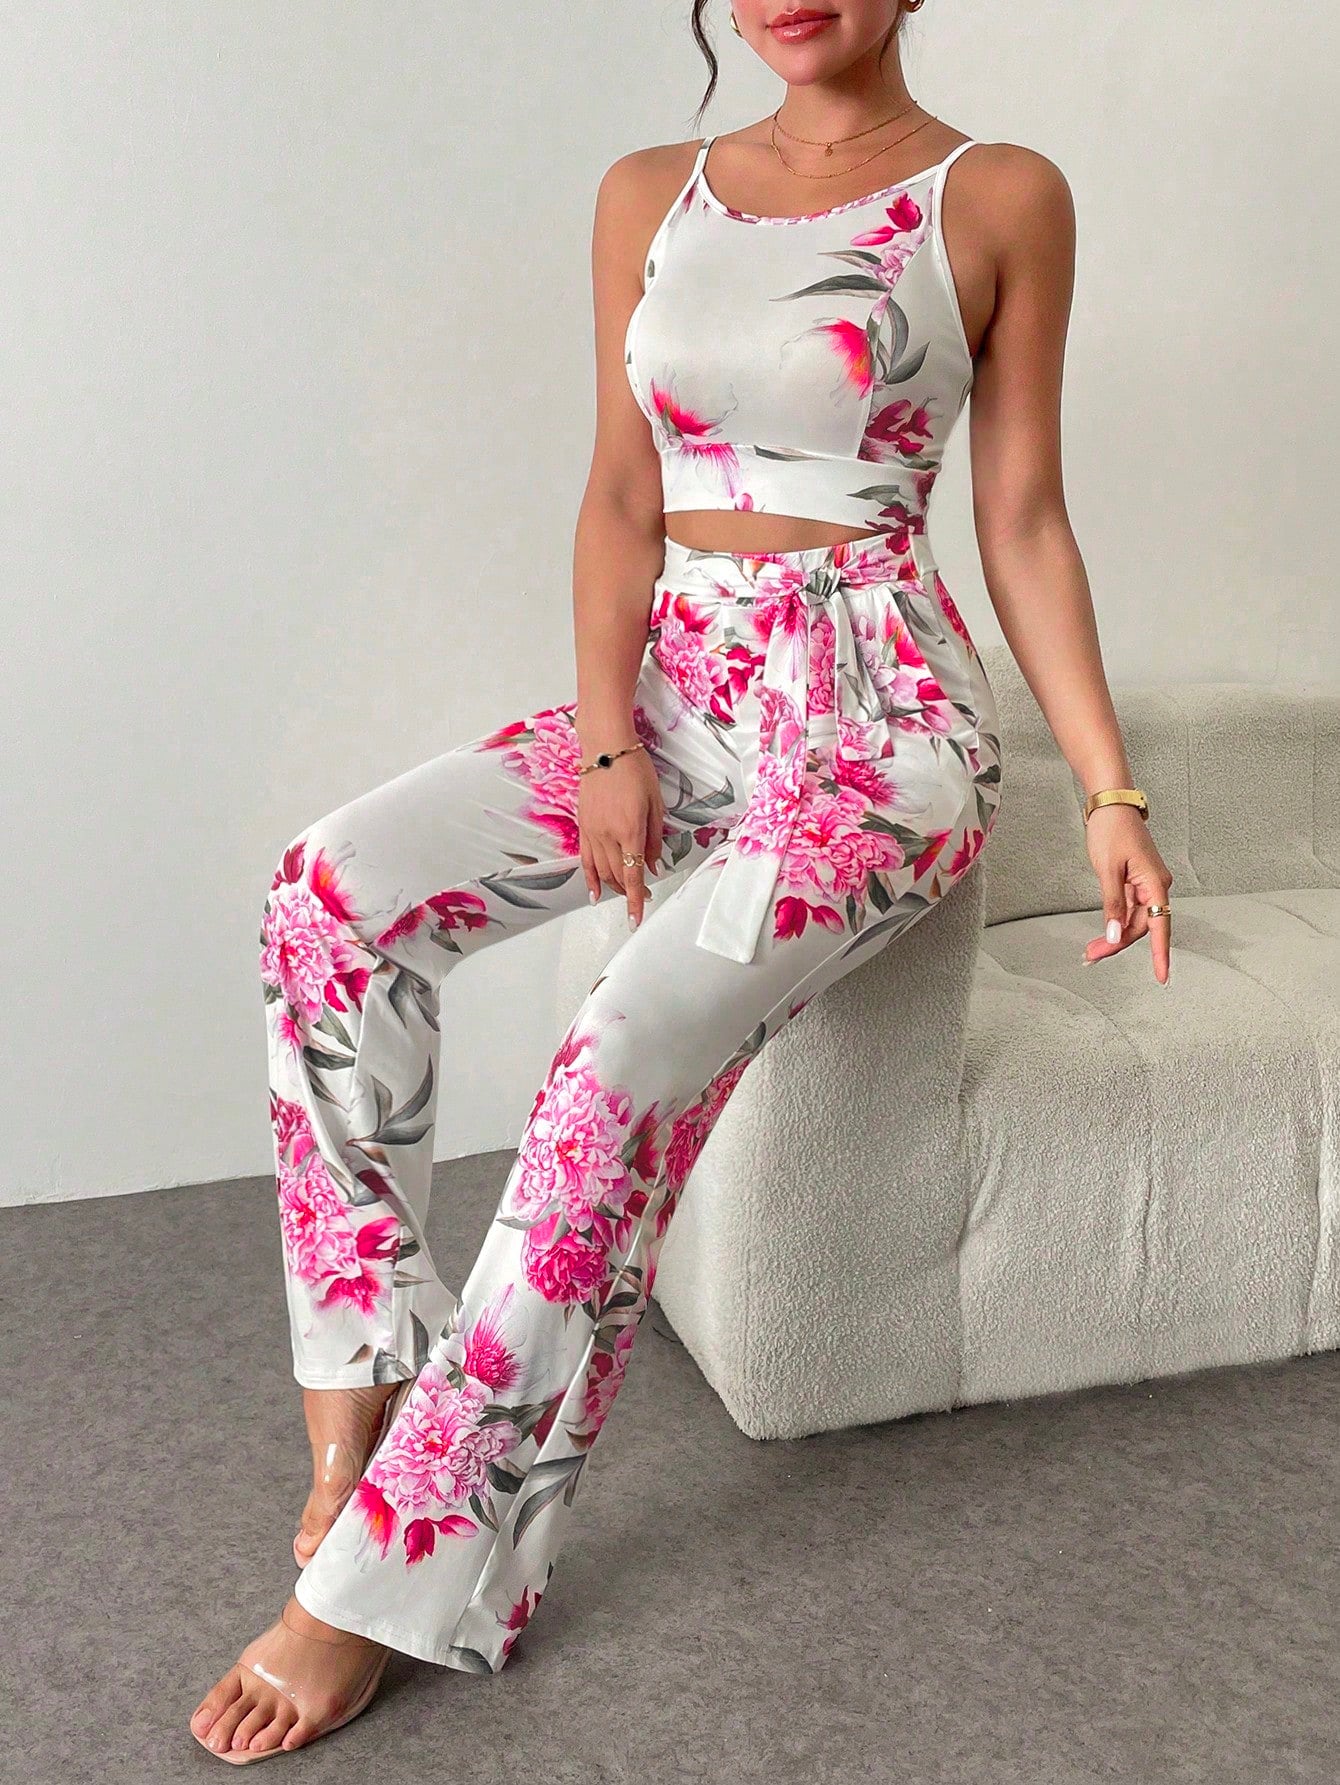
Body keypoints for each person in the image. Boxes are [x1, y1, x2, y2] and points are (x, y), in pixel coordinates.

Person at [190, 0, 1174, 1764]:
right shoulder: (650, 190)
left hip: (881, 727)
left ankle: (390, 1579)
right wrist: (606, 743)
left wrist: (1109, 787)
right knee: (330, 893)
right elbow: (618, 495)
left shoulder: (999, 192)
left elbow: (1023, 516)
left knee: (618, 1053)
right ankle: (358, 1402)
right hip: (681, 687)